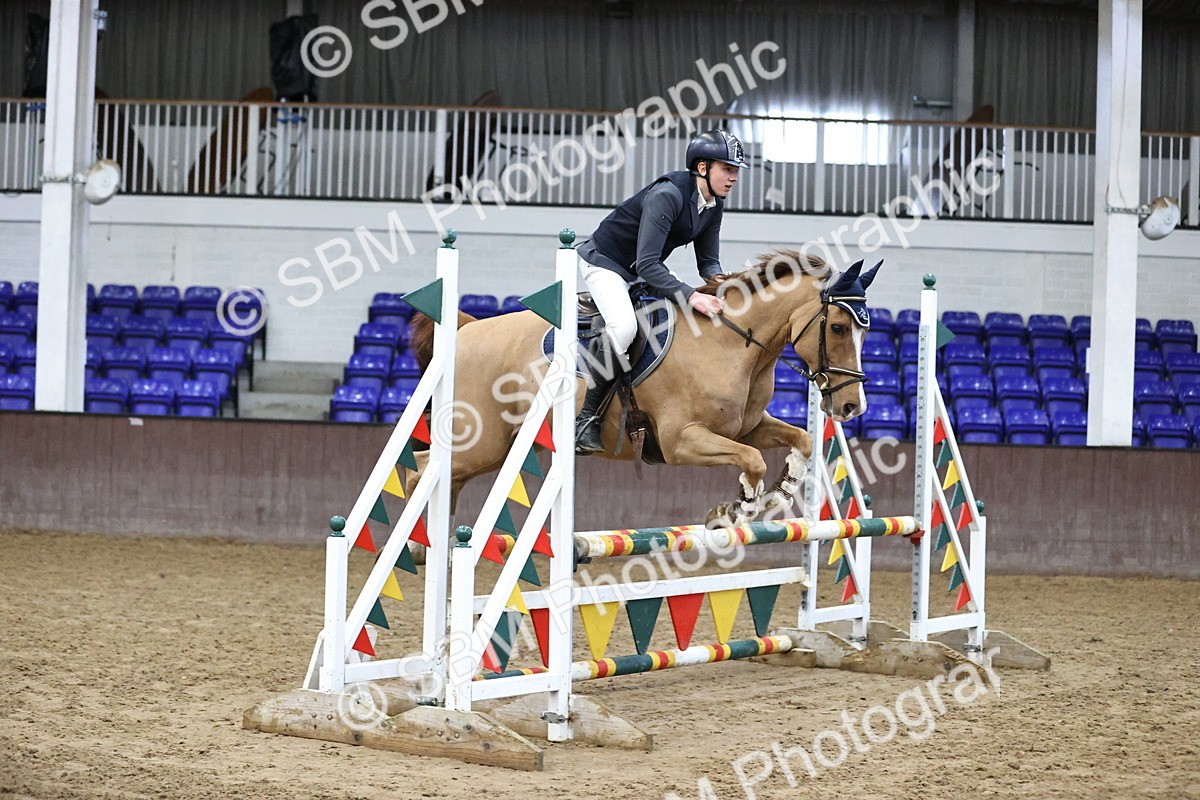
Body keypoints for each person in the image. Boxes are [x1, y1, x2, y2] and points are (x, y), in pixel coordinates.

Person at [572, 128, 748, 454]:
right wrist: (693, 295)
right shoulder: (667, 195)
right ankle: (585, 419)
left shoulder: (713, 204)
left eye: (736, 170)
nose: (733, 177)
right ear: (702, 167)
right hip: (606, 263)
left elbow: (708, 263)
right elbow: (648, 265)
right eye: (728, 168)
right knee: (624, 329)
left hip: (640, 269)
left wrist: (729, 288)